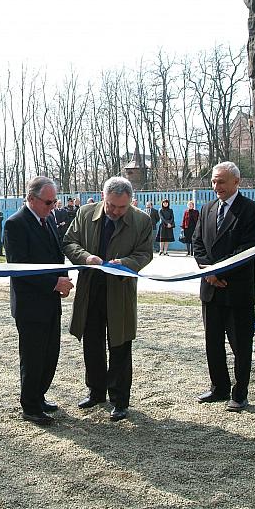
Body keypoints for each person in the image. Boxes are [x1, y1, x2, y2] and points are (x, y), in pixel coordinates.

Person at [62, 176, 153, 422]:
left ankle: (120, 400)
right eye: (111, 205)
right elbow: (69, 242)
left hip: (120, 291)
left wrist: (124, 264)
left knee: (120, 344)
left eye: (122, 207)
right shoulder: (85, 213)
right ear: (103, 197)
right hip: (91, 289)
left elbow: (145, 253)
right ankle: (96, 391)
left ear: (131, 201)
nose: (116, 211)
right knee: (92, 343)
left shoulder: (142, 220)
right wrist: (86, 257)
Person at [4, 176, 74, 425]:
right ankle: (30, 406)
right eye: (48, 202)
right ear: (31, 199)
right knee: (33, 357)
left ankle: (39, 395)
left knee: (49, 354)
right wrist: (54, 283)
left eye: (54, 201)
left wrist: (63, 280)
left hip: (50, 301)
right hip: (30, 305)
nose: (53, 206)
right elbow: (19, 268)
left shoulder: (50, 219)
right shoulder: (15, 224)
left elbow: (56, 255)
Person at [192, 161, 255, 412]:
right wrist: (208, 272)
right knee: (213, 342)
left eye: (221, 181)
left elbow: (247, 249)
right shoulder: (207, 208)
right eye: (213, 181)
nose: (216, 186)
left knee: (240, 345)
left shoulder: (250, 210)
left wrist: (218, 271)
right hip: (210, 289)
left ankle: (240, 393)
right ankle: (218, 387)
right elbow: (197, 243)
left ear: (236, 182)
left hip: (236, 289)